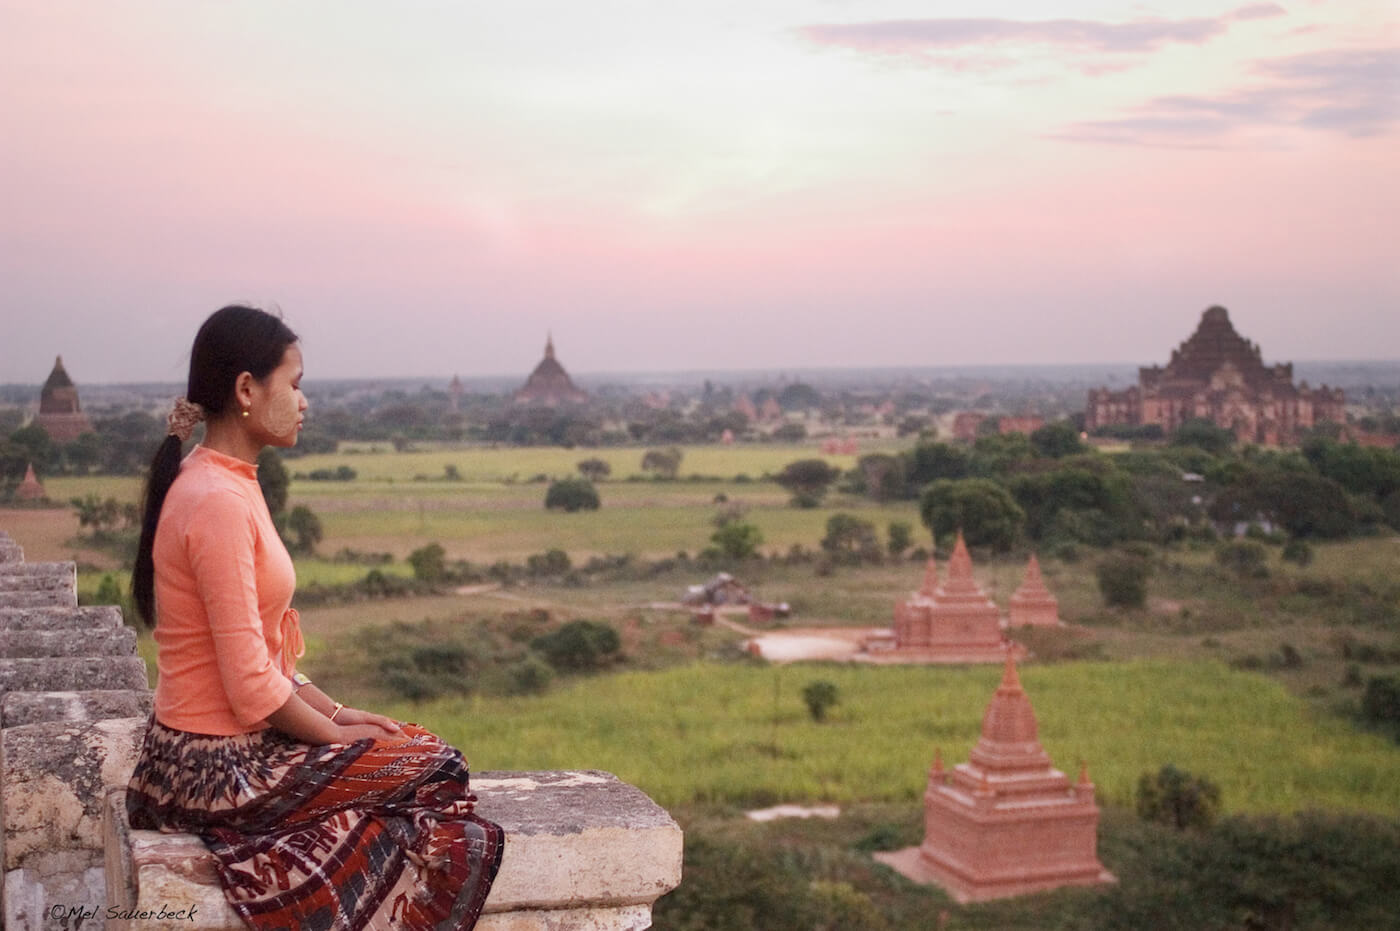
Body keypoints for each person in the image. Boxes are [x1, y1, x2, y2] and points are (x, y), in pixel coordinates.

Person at [126, 305, 502, 931]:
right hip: (213, 767)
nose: (305, 402)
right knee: (437, 768)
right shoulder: (216, 499)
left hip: (210, 749)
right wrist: (338, 739)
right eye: (294, 384)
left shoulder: (226, 480)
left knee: (410, 749)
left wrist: (335, 711)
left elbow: (266, 658)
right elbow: (250, 683)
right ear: (247, 389)